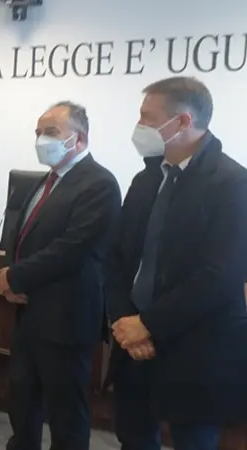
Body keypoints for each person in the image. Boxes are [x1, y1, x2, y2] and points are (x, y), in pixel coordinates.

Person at [106, 76, 247, 450]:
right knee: (133, 438)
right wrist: (125, 321)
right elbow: (117, 256)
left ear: (183, 122)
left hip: (197, 349)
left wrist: (149, 324)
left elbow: (221, 275)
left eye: (147, 118)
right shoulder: (146, 179)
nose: (139, 127)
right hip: (132, 342)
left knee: (193, 442)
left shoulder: (233, 183)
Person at [0, 101, 121, 450]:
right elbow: (18, 234)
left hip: (67, 318)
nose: (41, 140)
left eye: (51, 132)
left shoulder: (99, 184)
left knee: (65, 412)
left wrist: (16, 277)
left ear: (79, 139)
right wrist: (11, 278)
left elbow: (73, 248)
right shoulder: (46, 180)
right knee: (22, 399)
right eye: (38, 132)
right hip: (30, 312)